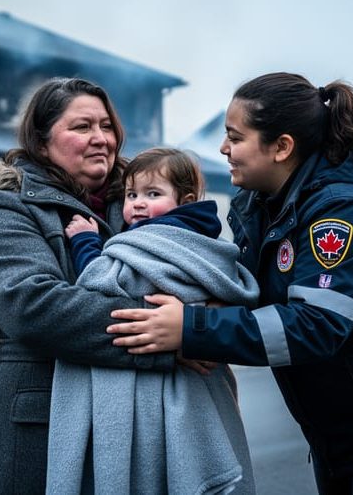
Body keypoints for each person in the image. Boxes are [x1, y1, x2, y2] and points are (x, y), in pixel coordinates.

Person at [109, 72, 353, 495]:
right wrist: (209, 318)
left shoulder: (343, 213)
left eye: (235, 136)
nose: (223, 149)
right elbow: (260, 295)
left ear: (282, 147)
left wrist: (191, 329)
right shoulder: (261, 205)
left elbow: (314, 325)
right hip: (344, 428)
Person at [0, 77, 177, 494]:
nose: (101, 138)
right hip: (43, 416)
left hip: (134, 415)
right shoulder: (9, 207)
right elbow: (33, 306)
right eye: (82, 127)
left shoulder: (139, 206)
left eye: (106, 125)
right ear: (42, 143)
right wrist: (165, 334)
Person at [48, 147, 258, 494]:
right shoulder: (206, 243)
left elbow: (99, 281)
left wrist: (86, 241)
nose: (138, 204)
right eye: (131, 195)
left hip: (159, 386)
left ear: (185, 200)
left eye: (153, 194)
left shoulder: (156, 239)